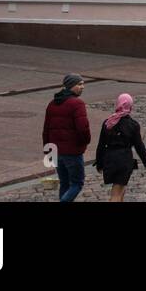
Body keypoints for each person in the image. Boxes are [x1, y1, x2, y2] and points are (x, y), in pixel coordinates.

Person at [43, 74, 91, 202]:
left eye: (83, 84)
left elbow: (46, 129)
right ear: (70, 86)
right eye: (79, 84)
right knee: (77, 183)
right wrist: (85, 142)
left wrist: (47, 151)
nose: (83, 87)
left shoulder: (52, 103)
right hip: (72, 152)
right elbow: (83, 128)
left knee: (64, 183)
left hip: (55, 151)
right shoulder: (77, 104)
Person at [94, 93, 146, 202]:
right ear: (130, 106)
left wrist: (99, 163)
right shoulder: (132, 125)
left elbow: (101, 145)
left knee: (120, 190)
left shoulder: (108, 122)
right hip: (124, 160)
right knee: (116, 193)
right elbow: (139, 146)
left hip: (109, 159)